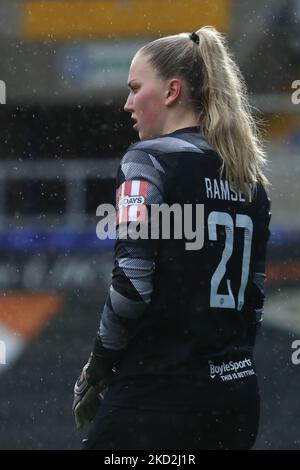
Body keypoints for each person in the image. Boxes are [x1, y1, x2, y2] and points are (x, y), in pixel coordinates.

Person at [72, 26, 271, 450]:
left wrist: (97, 370)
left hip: (158, 396)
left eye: (135, 88)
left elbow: (131, 287)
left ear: (171, 91)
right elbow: (253, 299)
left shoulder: (149, 160)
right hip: (236, 399)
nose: (127, 103)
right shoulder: (249, 178)